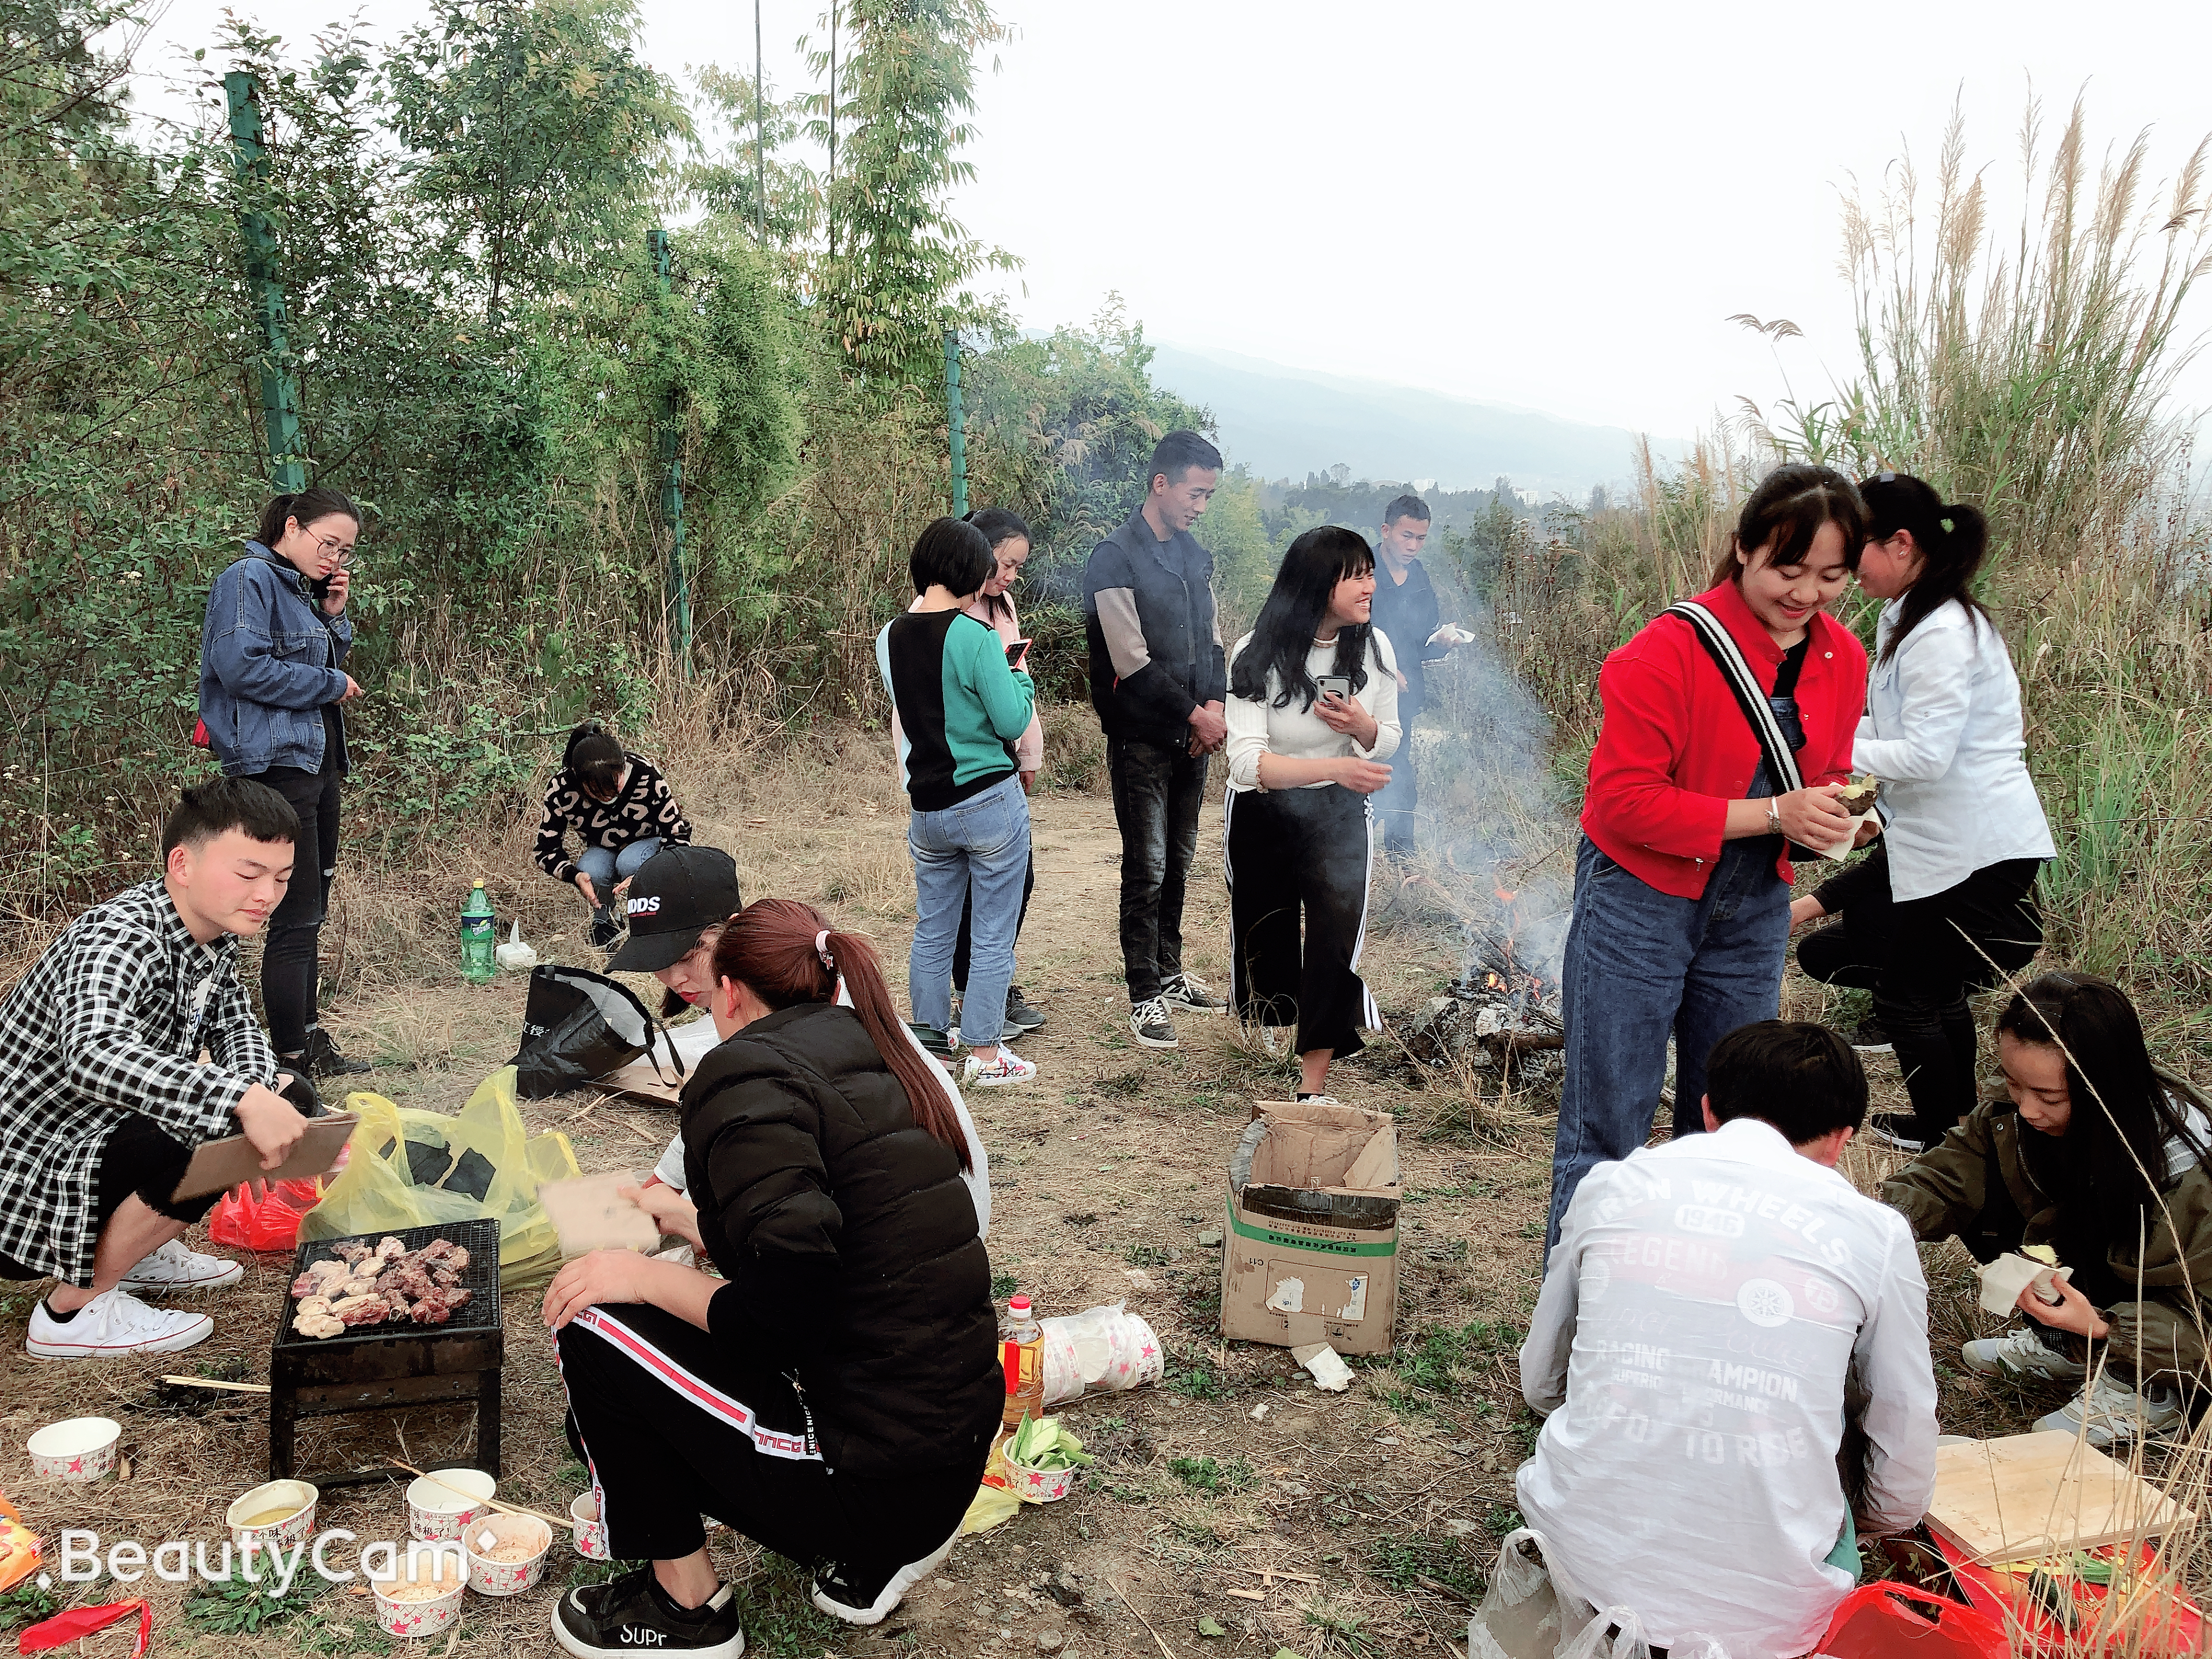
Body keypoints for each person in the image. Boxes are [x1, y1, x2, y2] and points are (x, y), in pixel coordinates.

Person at [542, 897, 1000, 1657]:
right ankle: (873, 1551)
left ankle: (685, 1610)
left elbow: (781, 1318)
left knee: (593, 1324)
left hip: (876, 1484)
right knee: (625, 1350)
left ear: (728, 992)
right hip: (945, 1458)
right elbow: (828, 1246)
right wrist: (683, 1223)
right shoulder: (871, 1048)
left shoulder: (745, 1073)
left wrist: (639, 1276)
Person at [1520, 1021, 1938, 1658]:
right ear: (1842, 1141)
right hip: (1770, 1621)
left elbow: (1542, 1380)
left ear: (1708, 1112)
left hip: (1578, 1565)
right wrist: (1881, 1518)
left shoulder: (1609, 1188)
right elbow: (1904, 1418)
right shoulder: (1875, 1234)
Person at [1546, 464, 1869, 1250]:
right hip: (1640, 897)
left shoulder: (1842, 659)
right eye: (1788, 570)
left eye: (1832, 576)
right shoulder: (1664, 652)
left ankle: (1697, 1300)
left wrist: (1837, 821)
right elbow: (1622, 802)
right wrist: (1773, 812)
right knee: (1609, 1127)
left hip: (1754, 903)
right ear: (1743, 550)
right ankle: (1577, 1325)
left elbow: (1821, 775)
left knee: (1737, 1128)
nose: (1807, 594)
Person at [0, 779, 315, 1357]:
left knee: (287, 1095)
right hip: (27, 1175)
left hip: (89, 1139)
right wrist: (242, 1102)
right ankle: (72, 1311)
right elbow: (93, 1055)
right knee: (218, 1124)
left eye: (282, 878)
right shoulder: (120, 936)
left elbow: (238, 1029)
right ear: (182, 863)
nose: (267, 894)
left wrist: (265, 1090)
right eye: (249, 875)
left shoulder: (212, 938)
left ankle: (137, 1252)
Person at [1790, 472, 2054, 1153]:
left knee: (1910, 997)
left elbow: (1928, 754)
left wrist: (1821, 739)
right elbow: (1896, 724)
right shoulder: (1908, 616)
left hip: (1980, 845)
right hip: (1955, 844)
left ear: (1901, 544)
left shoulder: (1941, 631)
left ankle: (1947, 1142)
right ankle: (1956, 1129)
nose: (1848, 572)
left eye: (1856, 553)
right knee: (1930, 993)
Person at [1884, 971, 2212, 1448]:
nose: (2029, 1110)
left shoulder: (2186, 1173)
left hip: (2174, 1321)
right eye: (2016, 1084)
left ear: (2107, 1088)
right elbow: (1946, 1176)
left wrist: (2103, 1327)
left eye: (2050, 1097)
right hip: (2094, 1282)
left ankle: (2148, 1389)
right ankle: (2070, 1348)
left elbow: (2205, 1329)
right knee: (1989, 1178)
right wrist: (1876, 1226)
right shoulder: (2014, 1114)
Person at [197, 487, 370, 1080]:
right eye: (329, 544)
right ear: (291, 527)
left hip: (317, 763)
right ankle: (290, 1062)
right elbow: (240, 668)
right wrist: (328, 686)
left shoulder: (301, 588)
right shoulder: (248, 579)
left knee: (311, 907)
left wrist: (333, 618)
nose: (335, 560)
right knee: (293, 914)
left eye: (346, 553)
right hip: (275, 766)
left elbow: (323, 657)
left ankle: (310, 1040)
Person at [1222, 527, 1400, 1102]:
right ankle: (1281, 1023)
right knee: (1268, 948)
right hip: (1264, 813)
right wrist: (1334, 768)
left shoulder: (1375, 650)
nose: (1371, 585)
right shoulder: (1257, 651)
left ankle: (1312, 1086)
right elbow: (1247, 762)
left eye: (1372, 572)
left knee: (1332, 940)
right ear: (1319, 583)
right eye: (1358, 575)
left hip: (1341, 816)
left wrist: (1362, 730)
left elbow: (1390, 739)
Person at [1083, 430, 1231, 1050]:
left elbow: (1216, 640)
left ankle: (1170, 974)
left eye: (1209, 496)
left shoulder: (1196, 557)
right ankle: (1144, 994)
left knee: (1181, 859)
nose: (1201, 505)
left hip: (1194, 736)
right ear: (1161, 483)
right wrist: (1194, 716)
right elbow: (1129, 661)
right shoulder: (1113, 557)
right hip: (1144, 737)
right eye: (1196, 493)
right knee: (1147, 865)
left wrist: (1216, 706)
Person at [881, 507, 1046, 1049]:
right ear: (971, 572)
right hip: (986, 801)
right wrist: (1019, 678)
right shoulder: (974, 636)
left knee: (933, 927)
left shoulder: (891, 635)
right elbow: (1010, 721)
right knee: (993, 933)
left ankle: (929, 1038)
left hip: (926, 806)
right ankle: (984, 1048)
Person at [1366, 494, 1468, 856]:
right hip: (1363, 693)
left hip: (1404, 698)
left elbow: (1419, 643)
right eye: (1406, 536)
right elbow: (1346, 629)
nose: (1413, 546)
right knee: (1365, 770)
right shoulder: (1363, 570)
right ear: (1386, 530)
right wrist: (1385, 669)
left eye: (1420, 538)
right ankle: (1350, 848)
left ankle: (1399, 854)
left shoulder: (1419, 577)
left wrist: (1441, 641)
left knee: (1399, 773)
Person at [534, 721, 696, 950]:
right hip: (604, 847)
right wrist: (575, 876)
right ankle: (606, 920)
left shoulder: (644, 774)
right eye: (599, 789)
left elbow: (678, 835)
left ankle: (654, 921)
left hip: (650, 843)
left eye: (616, 781)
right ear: (580, 783)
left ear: (623, 766)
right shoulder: (561, 789)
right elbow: (545, 851)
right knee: (590, 869)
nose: (613, 793)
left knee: (629, 862)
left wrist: (652, 872)